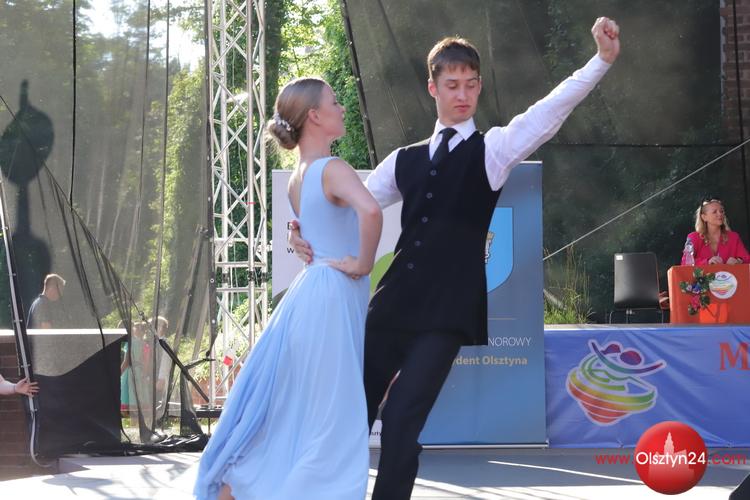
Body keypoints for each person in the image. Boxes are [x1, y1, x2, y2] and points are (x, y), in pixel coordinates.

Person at [290, 17, 620, 499]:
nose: (462, 94)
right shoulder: (403, 160)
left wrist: (601, 62)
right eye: (452, 85)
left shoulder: (494, 150)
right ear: (433, 88)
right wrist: (298, 230)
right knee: (349, 411)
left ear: (480, 86)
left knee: (402, 416)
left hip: (447, 313)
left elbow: (549, 111)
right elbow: (341, 208)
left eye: (470, 84)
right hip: (392, 304)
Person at [194, 76, 382, 500]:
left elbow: (311, 229)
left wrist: (298, 235)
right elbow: (371, 211)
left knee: (304, 414)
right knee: (333, 420)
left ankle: (239, 486)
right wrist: (364, 263)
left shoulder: (299, 177)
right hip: (331, 298)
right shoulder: (332, 169)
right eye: (334, 102)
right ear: (314, 115)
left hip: (312, 297)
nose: (342, 108)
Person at [681, 198, 750, 265]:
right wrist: (707, 262)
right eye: (714, 212)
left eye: (721, 211)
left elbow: (747, 259)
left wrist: (738, 261)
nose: (720, 214)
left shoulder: (734, 237)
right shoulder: (694, 237)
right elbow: (685, 262)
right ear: (704, 217)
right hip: (703, 273)